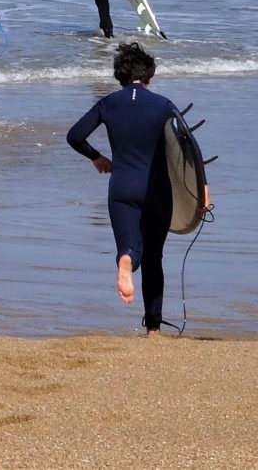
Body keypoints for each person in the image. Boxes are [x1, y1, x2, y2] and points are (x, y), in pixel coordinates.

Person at [66, 42, 198, 335]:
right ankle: (153, 328)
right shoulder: (164, 105)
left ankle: (125, 262)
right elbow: (190, 151)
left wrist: (97, 157)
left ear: (119, 76)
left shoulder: (108, 104)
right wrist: (202, 192)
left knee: (130, 247)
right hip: (157, 190)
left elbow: (74, 136)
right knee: (154, 258)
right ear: (149, 76)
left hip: (122, 187)